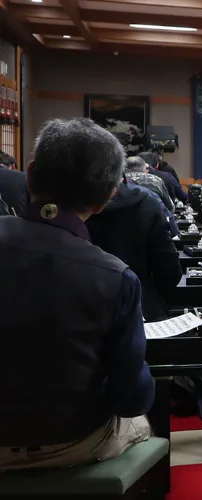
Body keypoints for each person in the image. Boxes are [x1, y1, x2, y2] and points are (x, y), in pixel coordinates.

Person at [0, 118, 154, 470]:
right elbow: (131, 398)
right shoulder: (115, 277)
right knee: (140, 423)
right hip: (68, 440)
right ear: (106, 198)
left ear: (30, 174)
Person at [86, 177, 181, 321]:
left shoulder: (62, 205)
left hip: (78, 312)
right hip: (142, 308)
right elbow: (170, 270)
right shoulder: (147, 200)